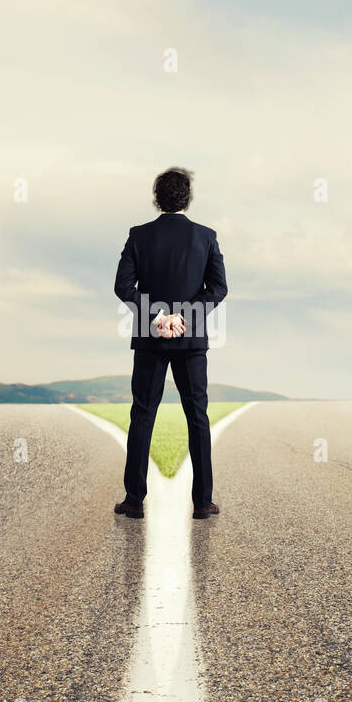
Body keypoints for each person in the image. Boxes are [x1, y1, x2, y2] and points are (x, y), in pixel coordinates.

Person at [112, 167, 227, 519]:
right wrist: (184, 318)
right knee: (198, 418)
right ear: (187, 197)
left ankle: (134, 502)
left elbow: (123, 287)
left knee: (143, 415)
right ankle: (203, 503)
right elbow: (219, 289)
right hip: (191, 342)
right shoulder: (206, 237)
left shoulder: (138, 236)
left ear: (156, 197)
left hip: (150, 340)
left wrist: (157, 318)